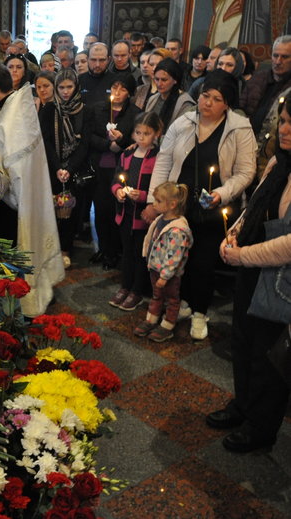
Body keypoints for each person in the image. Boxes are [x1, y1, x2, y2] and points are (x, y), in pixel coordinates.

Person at [144, 70, 257, 340]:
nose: (207, 103)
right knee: (177, 260)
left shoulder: (240, 128)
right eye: (205, 95)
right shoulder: (183, 123)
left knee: (203, 263)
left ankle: (199, 312)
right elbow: (164, 161)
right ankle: (179, 304)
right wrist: (153, 201)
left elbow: (245, 172)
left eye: (216, 99)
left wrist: (220, 194)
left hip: (213, 208)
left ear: (227, 103)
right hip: (178, 206)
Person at [206, 98, 291, 453]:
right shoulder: (277, 161)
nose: (285, 129)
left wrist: (243, 255)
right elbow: (256, 204)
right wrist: (237, 232)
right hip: (253, 270)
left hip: (280, 281)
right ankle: (242, 405)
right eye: (284, 121)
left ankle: (261, 428)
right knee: (241, 342)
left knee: (267, 356)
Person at [0, 63, 64, 316]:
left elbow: (2, 176)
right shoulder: (17, 109)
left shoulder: (8, 122)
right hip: (25, 198)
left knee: (6, 258)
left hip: (8, 205)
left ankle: (8, 308)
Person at [109, 112, 163, 311]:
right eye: (137, 133)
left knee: (140, 255)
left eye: (146, 133)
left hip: (143, 217)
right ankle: (125, 286)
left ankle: (137, 290)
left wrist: (142, 196)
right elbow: (116, 179)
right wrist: (119, 191)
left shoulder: (158, 157)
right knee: (127, 252)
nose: (141, 138)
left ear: (156, 133)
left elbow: (159, 188)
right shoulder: (127, 154)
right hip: (125, 213)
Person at [89, 74, 141, 271]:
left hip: (121, 169)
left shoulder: (135, 113)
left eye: (123, 89)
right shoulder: (98, 109)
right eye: (115, 88)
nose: (117, 93)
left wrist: (120, 142)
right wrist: (107, 144)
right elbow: (89, 136)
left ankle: (115, 252)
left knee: (115, 211)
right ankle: (103, 248)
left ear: (129, 93)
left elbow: (137, 141)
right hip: (100, 166)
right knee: (100, 210)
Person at [39, 68, 90, 269]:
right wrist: (58, 167)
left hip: (75, 169)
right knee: (51, 209)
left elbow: (84, 143)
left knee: (70, 211)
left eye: (69, 87)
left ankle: (65, 250)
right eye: (61, 87)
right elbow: (47, 141)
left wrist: (69, 167)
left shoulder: (84, 109)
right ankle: (50, 249)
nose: (65, 91)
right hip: (53, 168)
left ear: (76, 87)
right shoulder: (49, 109)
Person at [133, 182, 193, 341]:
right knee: (156, 295)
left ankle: (168, 325)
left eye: (158, 201)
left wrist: (165, 276)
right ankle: (152, 320)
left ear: (172, 204)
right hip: (155, 268)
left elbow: (173, 256)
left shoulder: (177, 230)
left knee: (172, 299)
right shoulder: (160, 219)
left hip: (168, 274)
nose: (154, 204)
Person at [145, 58, 196, 137]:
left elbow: (181, 133)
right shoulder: (153, 99)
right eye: (157, 79)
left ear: (175, 80)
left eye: (164, 80)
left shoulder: (185, 103)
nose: (159, 84)